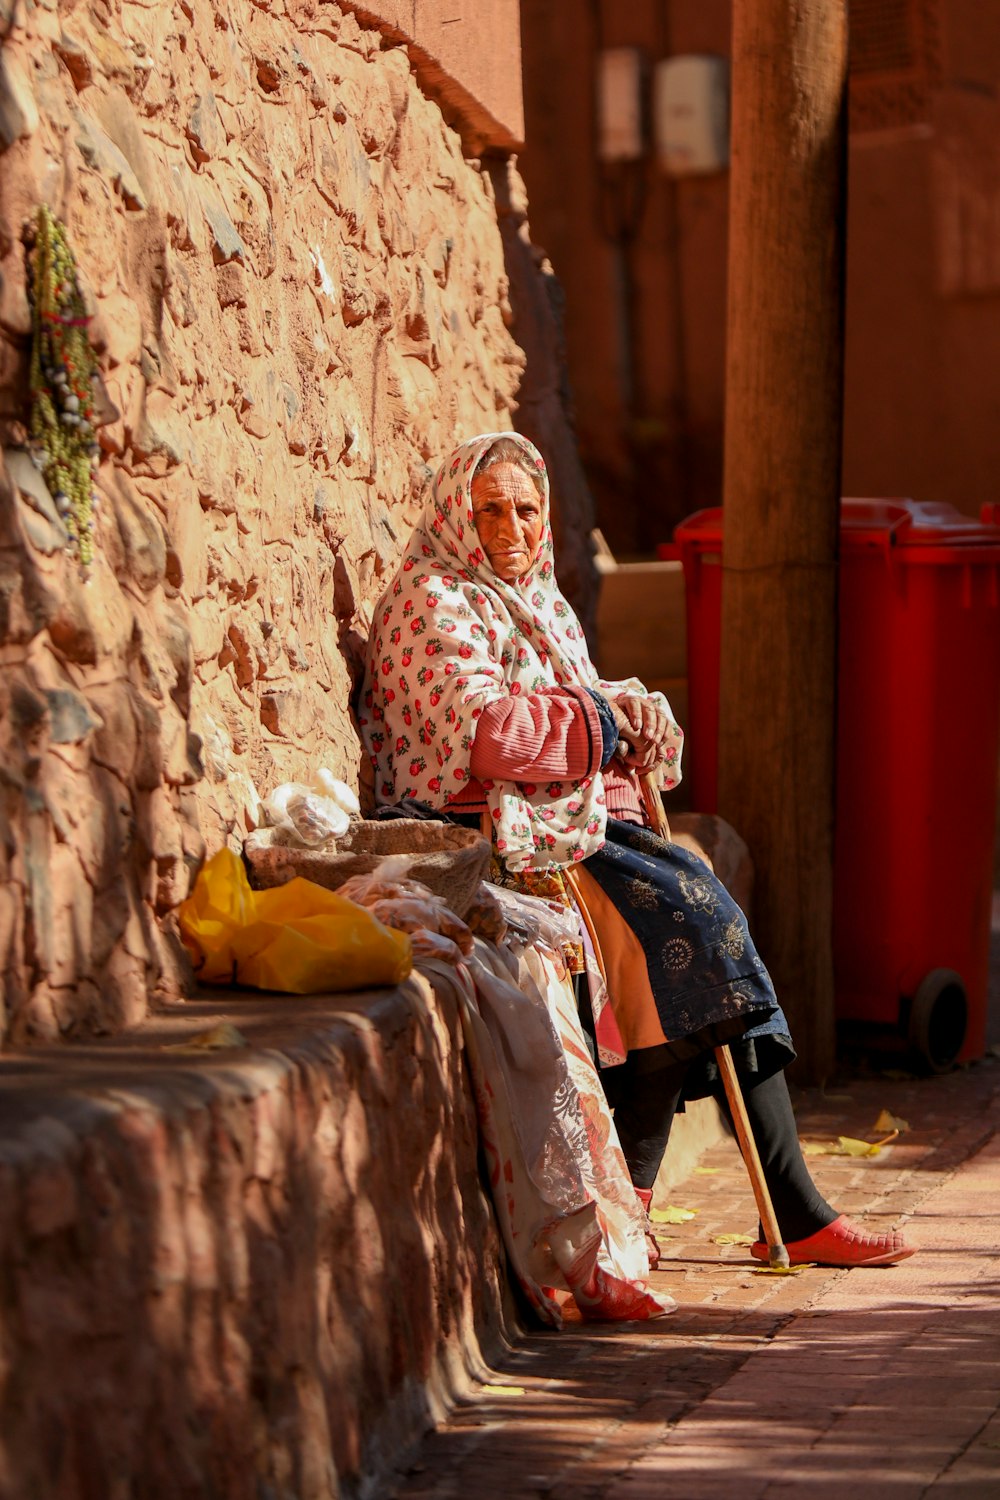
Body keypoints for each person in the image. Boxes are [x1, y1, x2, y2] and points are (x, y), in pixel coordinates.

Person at [361, 432, 915, 1270]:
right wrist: (609, 724)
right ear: (455, 516)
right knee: (690, 929)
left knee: (689, 942)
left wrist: (637, 718)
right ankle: (771, 1209)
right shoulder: (431, 600)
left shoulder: (540, 600)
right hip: (489, 827)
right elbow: (491, 737)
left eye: (526, 509)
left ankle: (714, 1207)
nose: (511, 527)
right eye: (490, 510)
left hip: (577, 822)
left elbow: (585, 705)